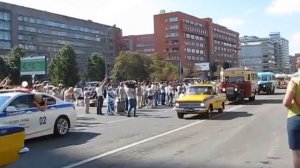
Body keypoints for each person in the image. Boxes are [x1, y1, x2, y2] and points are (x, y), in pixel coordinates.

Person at [283, 56, 300, 168]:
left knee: (297, 154)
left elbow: (286, 102)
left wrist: (293, 106)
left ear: (298, 65)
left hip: (296, 119)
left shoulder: (294, 81)